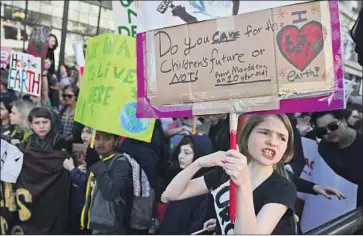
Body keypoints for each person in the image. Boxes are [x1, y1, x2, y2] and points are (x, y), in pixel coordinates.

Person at [162, 114, 298, 234]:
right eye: (265, 132)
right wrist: (199, 163)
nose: (272, 142)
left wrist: (243, 183)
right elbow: (172, 194)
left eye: (282, 138)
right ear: (247, 135)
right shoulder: (226, 171)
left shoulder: (283, 188)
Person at [15, 107, 71, 234]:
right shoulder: (28, 141)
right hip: (32, 188)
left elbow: (56, 163)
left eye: (45, 122)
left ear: (51, 122)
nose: (41, 126)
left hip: (53, 190)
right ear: (31, 124)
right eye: (37, 123)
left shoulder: (59, 140)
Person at [80, 131, 133, 234]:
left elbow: (111, 191)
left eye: (107, 138)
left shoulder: (120, 162)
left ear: (116, 141)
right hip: (92, 222)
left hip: (109, 226)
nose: (101, 142)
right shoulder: (98, 160)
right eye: (97, 138)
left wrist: (96, 165)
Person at [160, 134, 213, 235]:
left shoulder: (204, 188)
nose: (180, 156)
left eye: (186, 153)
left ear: (200, 155)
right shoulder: (177, 176)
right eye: (180, 151)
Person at [311, 110, 363, 207]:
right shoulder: (324, 148)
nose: (329, 132)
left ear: (343, 121)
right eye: (322, 131)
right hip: (348, 204)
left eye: (333, 126)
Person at [63, 126, 93, 234]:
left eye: (89, 132)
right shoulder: (76, 148)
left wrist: (72, 170)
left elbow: (87, 182)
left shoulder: (97, 155)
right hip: (74, 199)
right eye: (83, 131)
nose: (84, 135)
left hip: (86, 204)